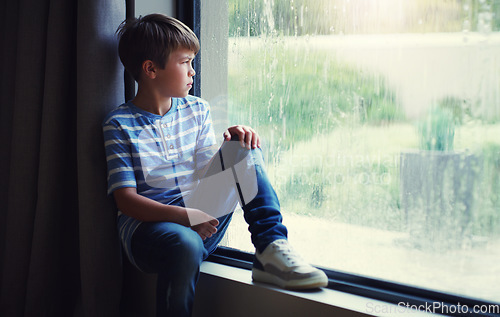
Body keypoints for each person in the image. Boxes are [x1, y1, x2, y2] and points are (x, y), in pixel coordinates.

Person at [103, 13, 328, 317]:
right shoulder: (119, 124)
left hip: (197, 216)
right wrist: (184, 216)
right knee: (185, 244)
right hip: (148, 232)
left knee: (242, 148)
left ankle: (270, 248)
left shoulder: (197, 110)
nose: (192, 72)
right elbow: (126, 201)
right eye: (185, 63)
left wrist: (228, 149)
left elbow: (199, 172)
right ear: (151, 69)